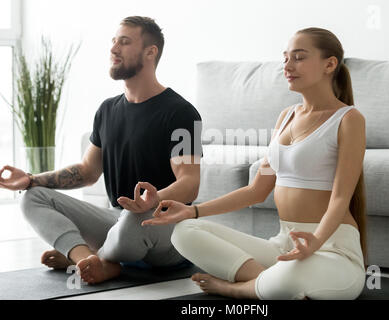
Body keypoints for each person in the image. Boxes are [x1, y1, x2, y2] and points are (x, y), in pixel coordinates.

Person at [137, 27, 368, 300]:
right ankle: (265, 282)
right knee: (184, 232)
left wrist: (315, 241)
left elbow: (341, 198)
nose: (287, 65)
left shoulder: (349, 119)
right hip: (284, 243)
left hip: (331, 249)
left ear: (330, 64)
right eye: (285, 58)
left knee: (290, 277)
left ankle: (238, 288)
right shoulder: (286, 117)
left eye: (299, 57)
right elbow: (256, 191)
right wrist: (192, 212)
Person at [0, 16, 203, 285]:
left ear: (150, 52)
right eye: (113, 41)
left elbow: (190, 183)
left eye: (124, 42)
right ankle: (86, 259)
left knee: (134, 217)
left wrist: (152, 201)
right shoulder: (107, 110)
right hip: (118, 222)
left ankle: (101, 258)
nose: (113, 48)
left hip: (164, 226)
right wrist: (31, 179)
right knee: (31, 197)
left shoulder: (182, 112)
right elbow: (87, 172)